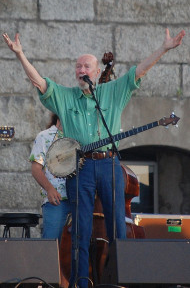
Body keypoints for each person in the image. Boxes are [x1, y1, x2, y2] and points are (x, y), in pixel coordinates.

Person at [3, 28, 185, 288]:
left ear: (97, 72)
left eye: (86, 66)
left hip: (110, 165)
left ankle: (119, 282)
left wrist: (164, 49)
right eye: (77, 66)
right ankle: (81, 283)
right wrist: (20, 55)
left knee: (117, 232)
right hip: (82, 168)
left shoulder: (112, 91)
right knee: (80, 232)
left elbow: (139, 71)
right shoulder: (66, 97)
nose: (80, 70)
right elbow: (40, 83)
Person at [29, 113, 71, 287]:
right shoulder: (44, 136)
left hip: (79, 198)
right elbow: (36, 168)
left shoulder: (80, 135)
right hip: (56, 200)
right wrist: (49, 189)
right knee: (51, 245)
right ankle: (49, 283)